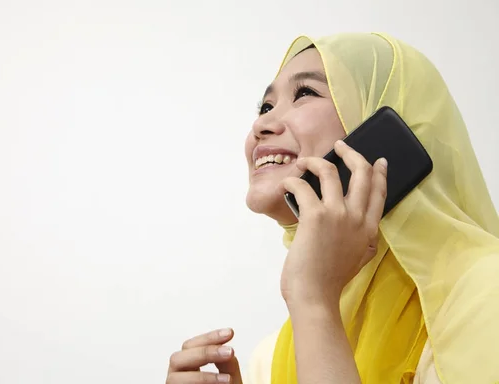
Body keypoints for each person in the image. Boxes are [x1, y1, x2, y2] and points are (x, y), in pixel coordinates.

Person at [165, 33, 499, 384]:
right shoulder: (274, 356)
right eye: (265, 107)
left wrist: (313, 302)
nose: (260, 125)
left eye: (305, 94)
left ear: (377, 126)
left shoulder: (484, 295)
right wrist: (315, 306)